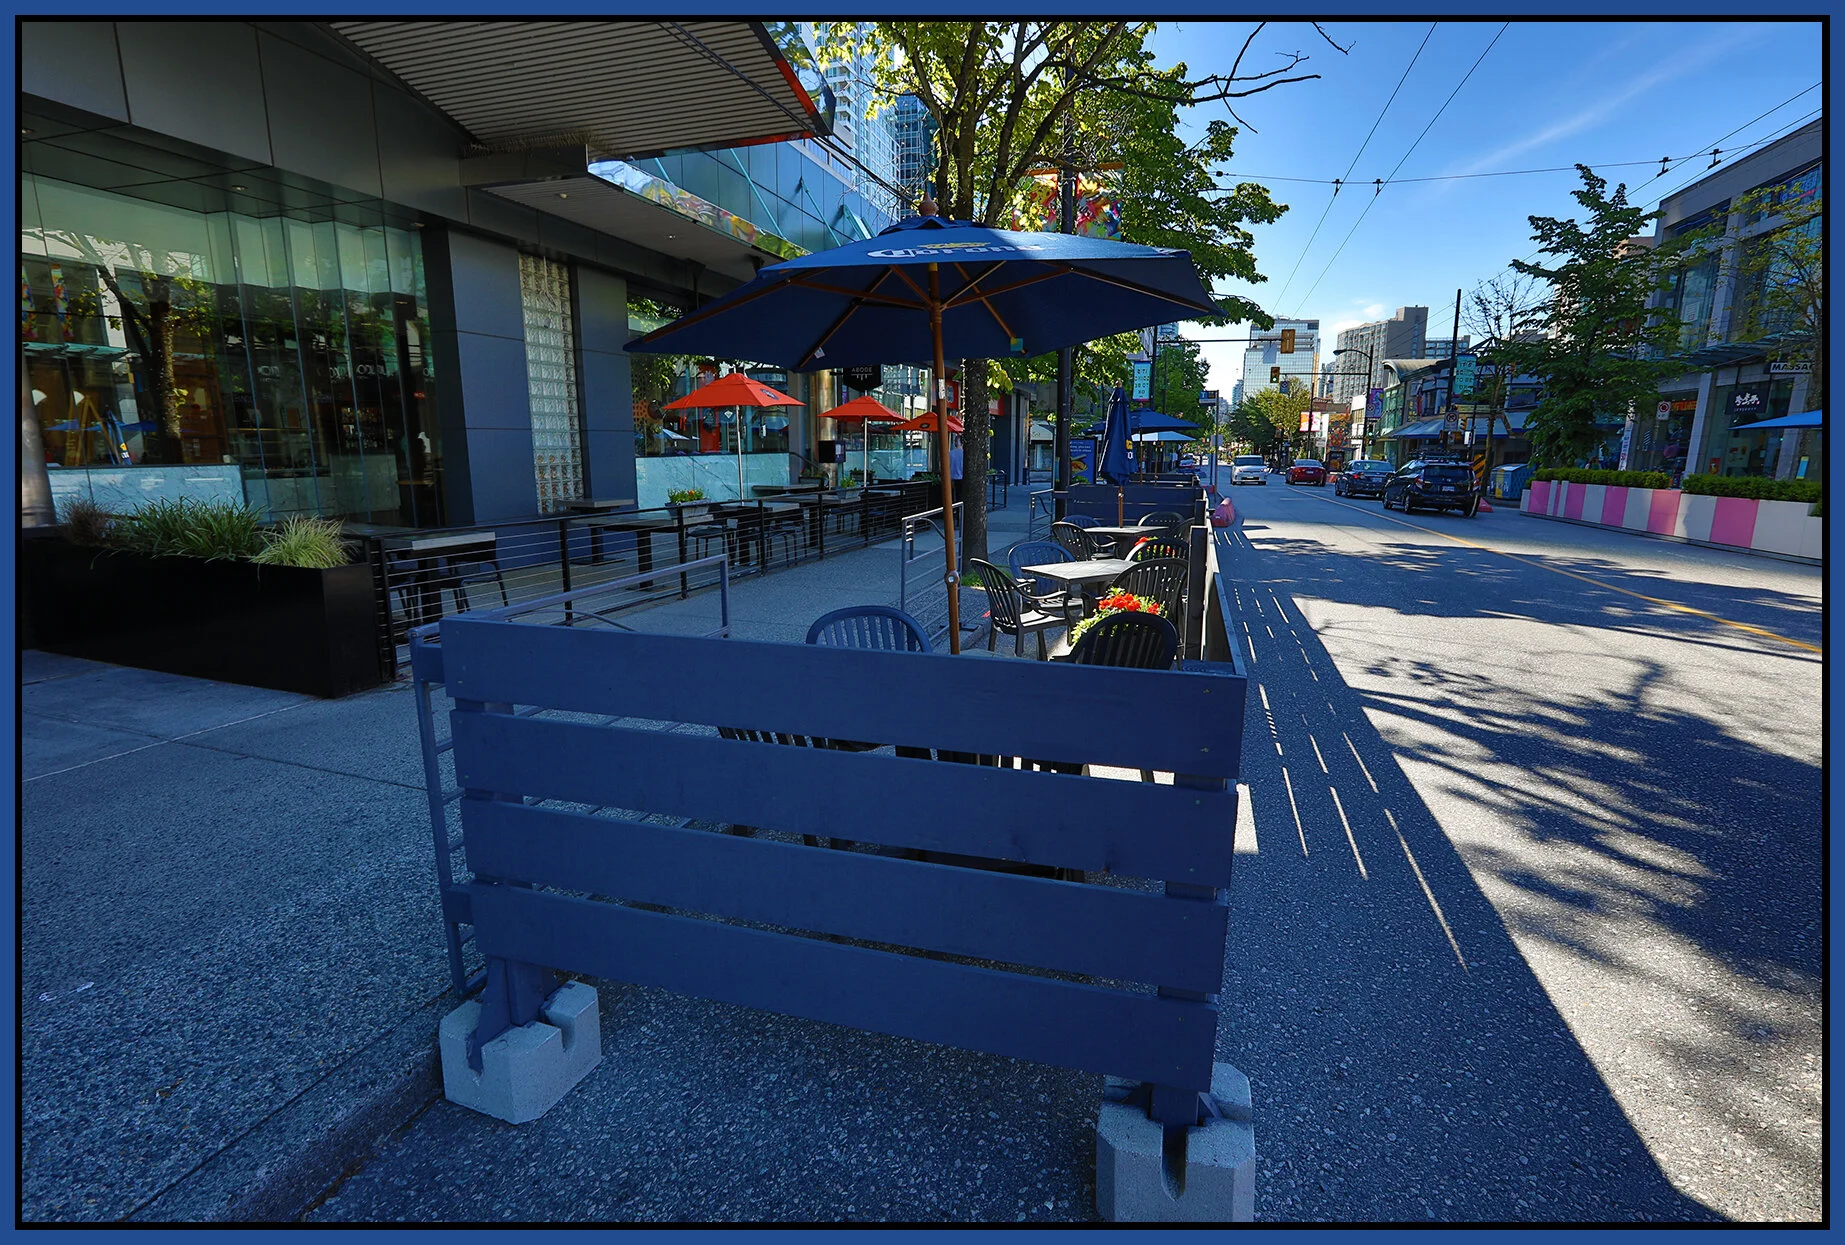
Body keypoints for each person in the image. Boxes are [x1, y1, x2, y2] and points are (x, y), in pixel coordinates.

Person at [948, 435, 963, 503]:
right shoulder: (965, 454)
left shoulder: (950, 454)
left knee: (954, 498)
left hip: (952, 478)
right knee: (961, 497)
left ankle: (955, 511)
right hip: (962, 478)